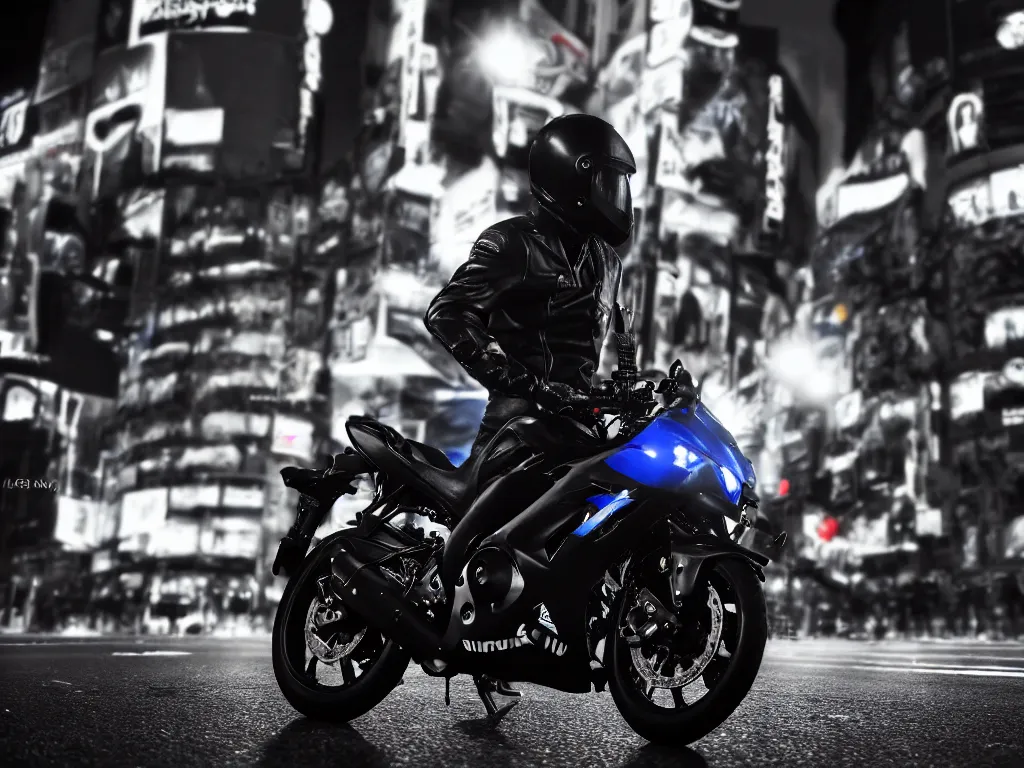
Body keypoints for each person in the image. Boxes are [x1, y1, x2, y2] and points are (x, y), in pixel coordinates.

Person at [424, 113, 636, 460]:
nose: (617, 195)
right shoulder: (512, 243)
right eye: (607, 181)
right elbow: (447, 314)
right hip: (517, 432)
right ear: (573, 176)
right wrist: (529, 387)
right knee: (501, 509)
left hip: (581, 432)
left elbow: (583, 359)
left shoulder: (609, 263)